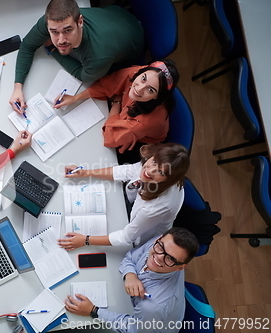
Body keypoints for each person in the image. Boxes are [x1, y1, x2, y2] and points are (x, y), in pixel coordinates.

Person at [9, 0, 144, 113]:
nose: (60, 40)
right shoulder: (52, 21)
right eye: (54, 32)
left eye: (68, 30)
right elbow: (27, 45)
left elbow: (82, 75)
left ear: (80, 22)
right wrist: (17, 88)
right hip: (114, 13)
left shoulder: (98, 57)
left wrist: (53, 50)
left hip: (134, 39)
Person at [64, 227, 199, 333]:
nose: (158, 257)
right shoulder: (160, 244)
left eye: (170, 258)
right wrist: (130, 275)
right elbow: (130, 257)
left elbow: (132, 329)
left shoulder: (153, 307)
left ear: (181, 267)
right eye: (160, 247)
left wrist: (93, 311)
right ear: (160, 238)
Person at [58, 143, 190, 248]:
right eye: (154, 162)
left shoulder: (157, 207)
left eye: (160, 172)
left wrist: (85, 240)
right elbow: (125, 171)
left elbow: (126, 237)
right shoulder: (152, 166)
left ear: (168, 178)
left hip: (142, 233)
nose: (149, 171)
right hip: (133, 204)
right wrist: (86, 173)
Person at [55, 60, 180, 155]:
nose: (139, 89)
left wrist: (116, 101)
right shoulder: (143, 73)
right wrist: (75, 98)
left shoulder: (142, 123)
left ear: (157, 97)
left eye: (151, 89)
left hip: (141, 143)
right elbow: (108, 84)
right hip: (124, 116)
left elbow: (110, 138)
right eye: (143, 79)